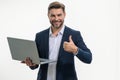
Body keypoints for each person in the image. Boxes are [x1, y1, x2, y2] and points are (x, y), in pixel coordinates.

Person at [22, 1, 92, 80]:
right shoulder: (40, 36)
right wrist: (32, 64)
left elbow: (89, 58)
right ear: (48, 15)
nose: (56, 19)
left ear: (64, 14)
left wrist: (75, 50)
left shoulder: (74, 35)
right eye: (53, 15)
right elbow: (36, 64)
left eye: (59, 15)